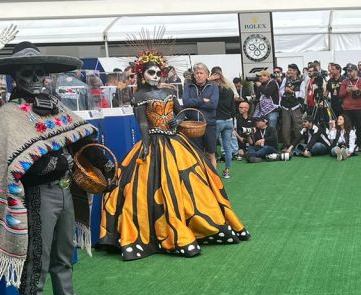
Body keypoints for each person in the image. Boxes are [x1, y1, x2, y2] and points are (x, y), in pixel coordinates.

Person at [0, 43, 112, 295]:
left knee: (64, 253)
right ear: (14, 77)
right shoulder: (9, 115)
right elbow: (12, 163)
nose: (36, 77)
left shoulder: (56, 106)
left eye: (40, 72)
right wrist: (52, 164)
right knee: (36, 260)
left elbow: (79, 136)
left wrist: (101, 163)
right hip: (36, 194)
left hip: (64, 189)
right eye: (28, 72)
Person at [99, 51, 249, 261]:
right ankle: (159, 229)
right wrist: (145, 143)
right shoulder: (139, 96)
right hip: (152, 142)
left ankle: (198, 223)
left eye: (158, 72)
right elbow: (142, 122)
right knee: (148, 186)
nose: (156, 76)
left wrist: (177, 122)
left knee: (192, 181)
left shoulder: (167, 92)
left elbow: (182, 113)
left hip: (175, 141)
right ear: (143, 74)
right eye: (151, 72)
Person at [340, 63, 361, 149]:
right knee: (348, 126)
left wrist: (357, 89)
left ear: (355, 71)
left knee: (359, 127)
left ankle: (360, 144)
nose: (348, 73)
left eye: (350, 71)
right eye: (347, 71)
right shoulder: (345, 81)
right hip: (347, 108)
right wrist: (346, 90)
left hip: (359, 108)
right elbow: (340, 94)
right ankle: (348, 143)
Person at [279, 64, 305, 155]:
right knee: (286, 127)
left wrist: (292, 92)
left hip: (296, 106)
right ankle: (287, 146)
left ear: (295, 71)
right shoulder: (285, 80)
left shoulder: (301, 81)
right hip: (286, 106)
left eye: (290, 70)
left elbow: (302, 94)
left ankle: (300, 146)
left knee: (298, 126)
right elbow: (280, 91)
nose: (289, 72)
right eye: (288, 70)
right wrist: (285, 92)